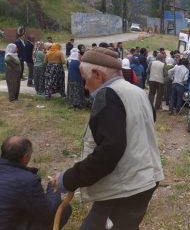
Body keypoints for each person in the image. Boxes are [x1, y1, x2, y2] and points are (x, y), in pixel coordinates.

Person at [51, 48, 164, 230]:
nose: (86, 87)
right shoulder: (137, 92)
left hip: (126, 188)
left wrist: (69, 179)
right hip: (145, 179)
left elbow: (109, 151)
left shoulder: (108, 94)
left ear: (97, 74)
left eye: (85, 80)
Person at [0, 136, 72, 229]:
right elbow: (49, 213)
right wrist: (53, 187)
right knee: (64, 209)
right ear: (25, 157)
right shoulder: (27, 181)